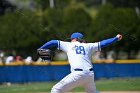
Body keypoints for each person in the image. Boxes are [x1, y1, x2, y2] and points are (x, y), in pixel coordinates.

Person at [38, 32, 122, 93]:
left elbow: (53, 42)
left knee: (55, 90)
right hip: (90, 74)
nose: (70, 40)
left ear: (75, 39)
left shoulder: (68, 45)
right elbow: (104, 43)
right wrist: (115, 38)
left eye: (71, 39)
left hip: (78, 74)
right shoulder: (88, 46)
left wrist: (41, 48)